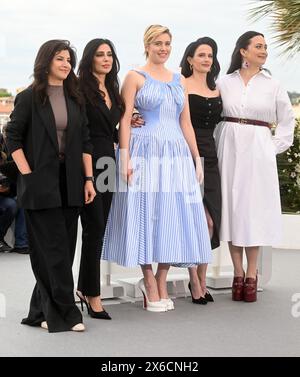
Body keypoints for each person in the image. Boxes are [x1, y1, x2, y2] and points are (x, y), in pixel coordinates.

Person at [102, 25, 212, 312]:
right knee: (144, 213)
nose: (163, 48)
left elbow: (185, 122)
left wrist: (195, 159)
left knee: (170, 216)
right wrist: (124, 158)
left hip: (175, 153)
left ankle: (162, 279)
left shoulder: (179, 81)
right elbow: (125, 120)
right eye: (158, 43)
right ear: (147, 45)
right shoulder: (134, 76)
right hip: (143, 151)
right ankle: (148, 280)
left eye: (167, 44)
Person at [5, 39, 96, 332]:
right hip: (40, 182)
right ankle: (65, 315)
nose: (66, 64)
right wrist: (27, 173)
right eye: (60, 58)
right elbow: (13, 137)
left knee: (63, 250)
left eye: (69, 59)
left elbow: (84, 141)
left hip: (71, 182)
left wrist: (89, 179)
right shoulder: (29, 97)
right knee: (53, 250)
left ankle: (39, 311)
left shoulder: (74, 98)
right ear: (46, 62)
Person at [214, 31, 295, 302]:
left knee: (254, 210)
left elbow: (286, 122)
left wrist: (270, 149)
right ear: (243, 51)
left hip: (259, 150)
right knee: (232, 208)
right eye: (258, 46)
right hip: (229, 148)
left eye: (265, 47)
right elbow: (209, 112)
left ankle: (252, 273)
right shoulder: (224, 82)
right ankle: (237, 273)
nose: (264, 51)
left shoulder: (273, 84)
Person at [76, 39, 124, 320]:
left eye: (109, 54)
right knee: (92, 227)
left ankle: (85, 287)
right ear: (90, 59)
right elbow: (83, 131)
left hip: (108, 163)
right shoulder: (80, 89)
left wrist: (128, 128)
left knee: (98, 230)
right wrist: (87, 176)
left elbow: (109, 128)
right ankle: (92, 294)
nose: (105, 59)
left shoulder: (113, 89)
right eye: (99, 55)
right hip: (88, 162)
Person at [180, 37, 222, 304]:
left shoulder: (218, 88)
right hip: (187, 155)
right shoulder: (181, 84)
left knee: (211, 221)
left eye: (210, 55)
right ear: (190, 59)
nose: (207, 59)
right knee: (198, 220)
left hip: (213, 157)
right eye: (202, 55)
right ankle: (194, 279)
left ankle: (202, 278)